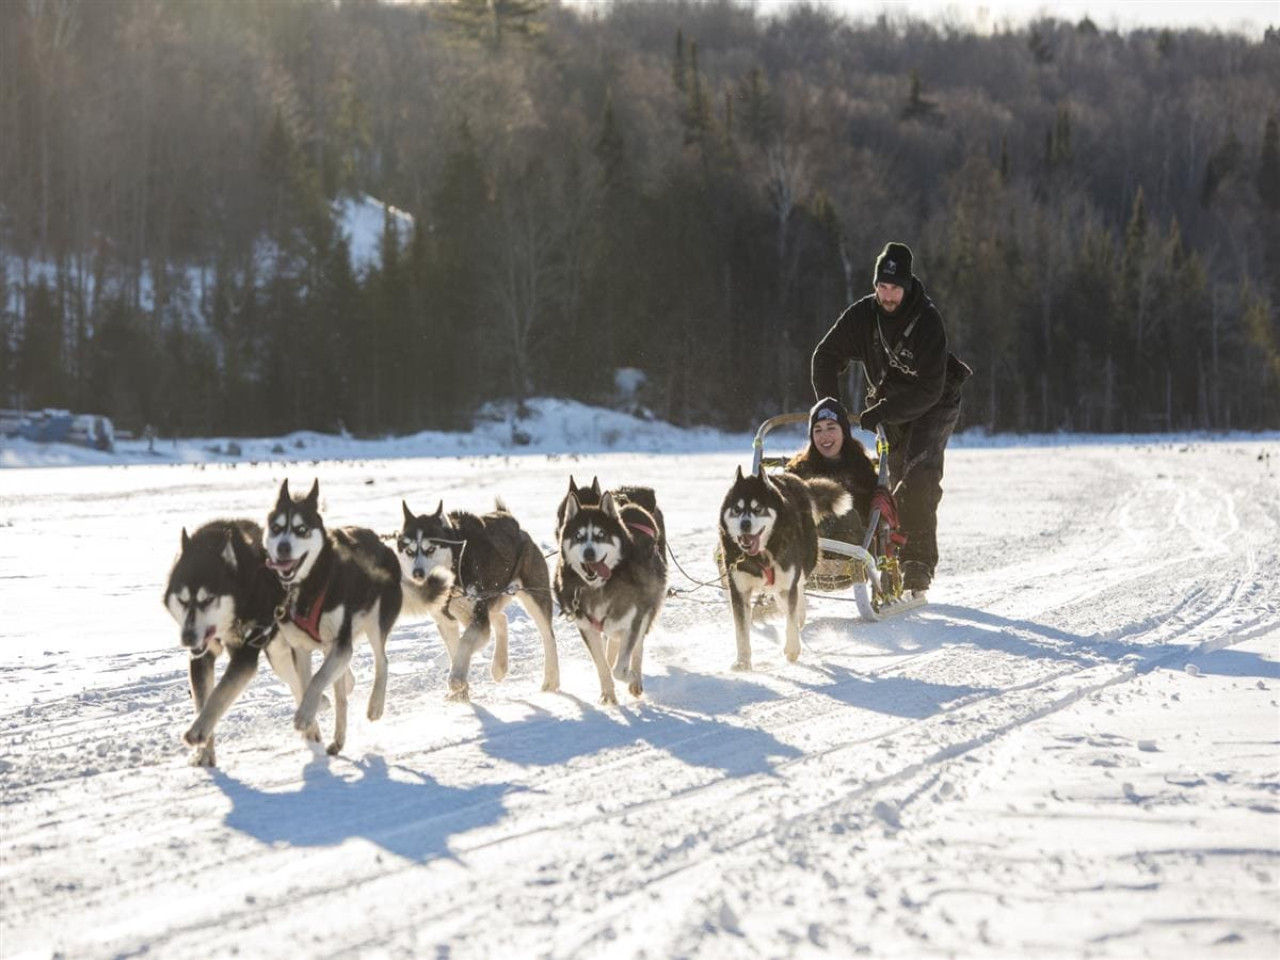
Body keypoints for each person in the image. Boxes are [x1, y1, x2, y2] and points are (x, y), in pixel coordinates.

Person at [811, 242, 971, 595]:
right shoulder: (863, 317)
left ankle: (918, 563)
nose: (887, 295)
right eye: (881, 286)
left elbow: (929, 389)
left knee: (920, 477)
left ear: (908, 285)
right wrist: (832, 409)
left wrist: (881, 412)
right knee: (892, 478)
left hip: (937, 400)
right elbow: (824, 356)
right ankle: (889, 552)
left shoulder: (927, 322)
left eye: (895, 287)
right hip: (893, 402)